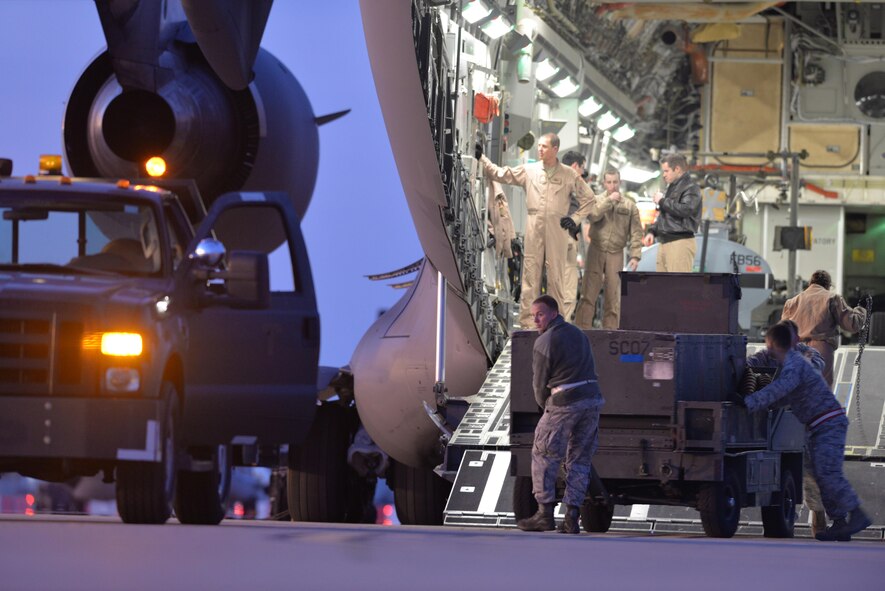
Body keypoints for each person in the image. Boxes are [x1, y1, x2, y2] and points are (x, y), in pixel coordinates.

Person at [741, 323, 872, 542]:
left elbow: (779, 389)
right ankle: (839, 522)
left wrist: (748, 402)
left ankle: (856, 514)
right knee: (821, 475)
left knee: (829, 474)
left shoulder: (794, 365)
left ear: (771, 343)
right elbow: (784, 398)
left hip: (828, 424)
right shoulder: (792, 363)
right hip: (819, 426)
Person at [477, 134, 596, 328]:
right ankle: (528, 324)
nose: (540, 149)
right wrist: (482, 158)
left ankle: (558, 324)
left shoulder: (568, 174)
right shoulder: (529, 170)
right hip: (534, 225)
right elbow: (501, 174)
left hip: (557, 228)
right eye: (539, 146)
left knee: (556, 278)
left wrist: (574, 219)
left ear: (555, 149)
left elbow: (590, 199)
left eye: (544, 147)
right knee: (530, 276)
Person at [517, 295, 605, 534]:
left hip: (565, 401)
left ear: (554, 313)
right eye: (533, 315)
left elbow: (539, 382)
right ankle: (572, 518)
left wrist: (544, 404)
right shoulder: (579, 334)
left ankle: (544, 515)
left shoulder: (545, 340)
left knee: (543, 452)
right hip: (592, 399)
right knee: (579, 460)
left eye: (540, 314)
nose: (535, 319)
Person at [747, 319, 827, 535]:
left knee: (811, 473)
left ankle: (819, 521)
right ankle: (785, 520)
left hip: (803, 422)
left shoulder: (806, 354)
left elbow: (816, 368)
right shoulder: (766, 355)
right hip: (775, 422)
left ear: (796, 339)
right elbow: (749, 366)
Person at [575, 167, 643, 330]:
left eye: (615, 182)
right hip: (596, 249)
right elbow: (593, 215)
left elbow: (636, 231)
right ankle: (582, 330)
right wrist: (609, 201)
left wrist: (635, 256)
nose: (612, 185)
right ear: (604, 183)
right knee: (588, 295)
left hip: (616, 253)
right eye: (609, 182)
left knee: (613, 297)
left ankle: (610, 333)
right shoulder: (597, 200)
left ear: (619, 183)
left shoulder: (629, 206)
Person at [781, 269, 867, 388]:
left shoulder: (791, 302)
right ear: (827, 285)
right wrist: (861, 310)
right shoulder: (832, 298)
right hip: (821, 349)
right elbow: (852, 324)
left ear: (810, 283)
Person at [641, 152, 701, 272]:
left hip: (680, 243)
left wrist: (662, 201)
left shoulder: (691, 187)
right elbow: (665, 215)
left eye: (666, 171)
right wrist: (653, 232)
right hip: (665, 242)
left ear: (677, 169)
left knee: (678, 286)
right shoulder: (672, 188)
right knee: (663, 286)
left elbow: (685, 210)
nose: (664, 175)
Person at [560, 150, 588, 321]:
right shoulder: (571, 183)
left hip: (555, 240)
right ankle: (562, 329)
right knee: (568, 291)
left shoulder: (554, 179)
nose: (582, 173)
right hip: (566, 240)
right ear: (575, 166)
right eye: (582, 168)